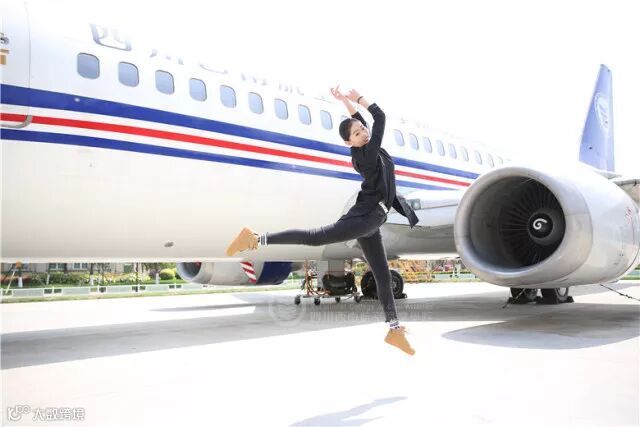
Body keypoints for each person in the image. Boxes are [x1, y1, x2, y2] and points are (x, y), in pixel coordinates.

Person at [226, 87, 418, 355]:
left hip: (374, 220)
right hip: (365, 217)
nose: (364, 132)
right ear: (349, 143)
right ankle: (255, 238)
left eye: (363, 129)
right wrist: (358, 99)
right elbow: (380, 116)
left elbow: (359, 121)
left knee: (383, 276)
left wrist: (345, 103)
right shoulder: (367, 154)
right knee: (315, 237)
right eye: (357, 133)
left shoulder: (368, 148)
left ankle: (394, 330)